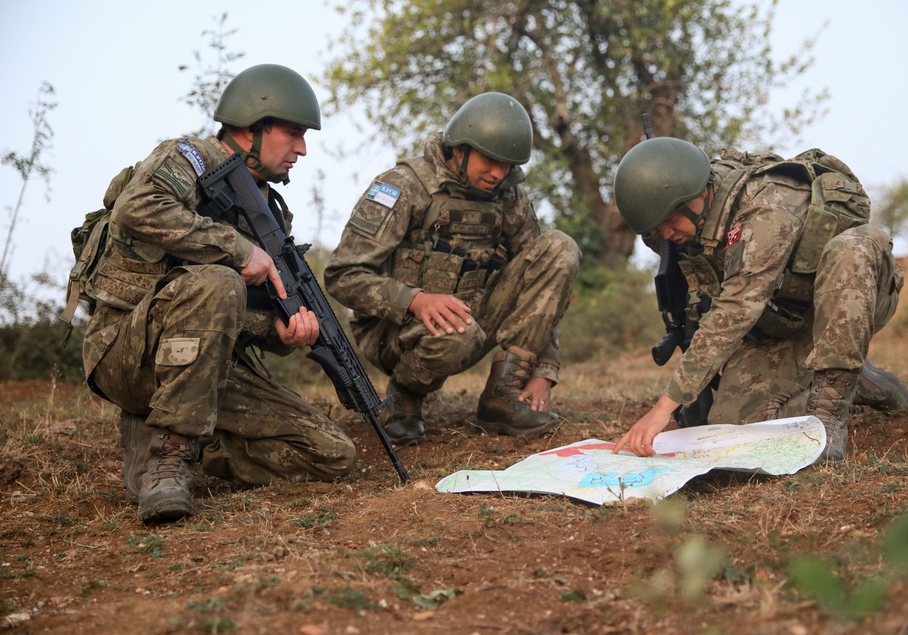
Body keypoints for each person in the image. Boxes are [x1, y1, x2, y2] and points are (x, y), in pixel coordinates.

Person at [82, 64, 356, 523]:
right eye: (292, 133)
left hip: (201, 371)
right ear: (251, 125)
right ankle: (168, 463)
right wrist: (237, 249)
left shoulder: (269, 212)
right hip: (126, 352)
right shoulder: (189, 157)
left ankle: (163, 435)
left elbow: (246, 317)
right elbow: (137, 207)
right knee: (220, 279)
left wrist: (282, 332)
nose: (302, 149)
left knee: (331, 455)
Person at [610, 138, 908, 463]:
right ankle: (856, 382)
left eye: (670, 222)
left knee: (851, 250)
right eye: (657, 230)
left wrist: (664, 406)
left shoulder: (768, 204)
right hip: (779, 322)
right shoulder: (685, 226)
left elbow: (738, 306)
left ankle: (830, 410)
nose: (666, 234)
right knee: (732, 427)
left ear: (697, 195)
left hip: (852, 299)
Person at [324, 92, 581, 446]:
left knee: (559, 248)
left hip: (472, 319)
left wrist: (544, 372)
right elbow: (342, 275)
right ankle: (405, 394)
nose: (498, 173)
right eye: (490, 160)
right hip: (397, 333)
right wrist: (415, 301)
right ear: (459, 148)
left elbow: (543, 287)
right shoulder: (404, 186)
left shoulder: (508, 195)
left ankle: (503, 394)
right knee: (456, 330)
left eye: (507, 165)